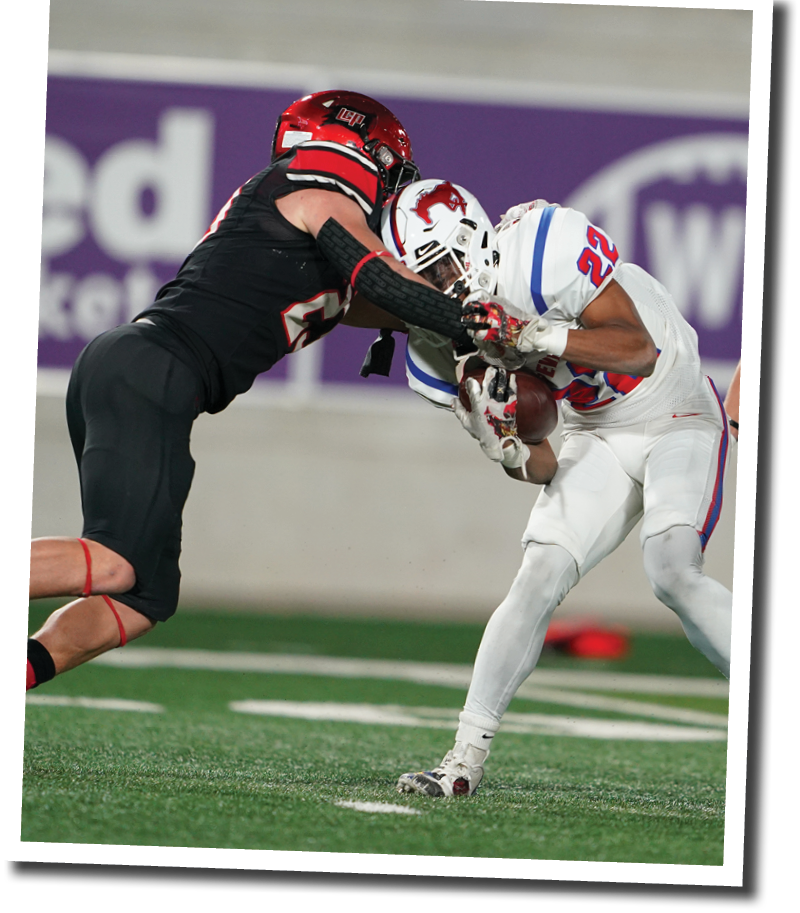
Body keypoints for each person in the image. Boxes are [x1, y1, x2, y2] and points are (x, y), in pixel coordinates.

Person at [26, 92, 471, 693]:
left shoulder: (315, 236)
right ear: (359, 150)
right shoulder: (317, 188)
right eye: (388, 163)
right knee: (112, 561)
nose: (392, 184)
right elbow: (385, 282)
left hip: (147, 373)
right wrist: (473, 318)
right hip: (152, 369)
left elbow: (392, 303)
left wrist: (495, 338)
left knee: (141, 597)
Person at [380, 180, 733, 797]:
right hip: (597, 431)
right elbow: (543, 465)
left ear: (475, 241)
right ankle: (462, 760)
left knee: (672, 568)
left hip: (676, 408)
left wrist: (534, 337)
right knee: (538, 573)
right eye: (421, 283)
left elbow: (638, 349)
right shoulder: (438, 340)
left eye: (441, 269)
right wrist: (508, 447)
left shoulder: (543, 249)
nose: (439, 291)